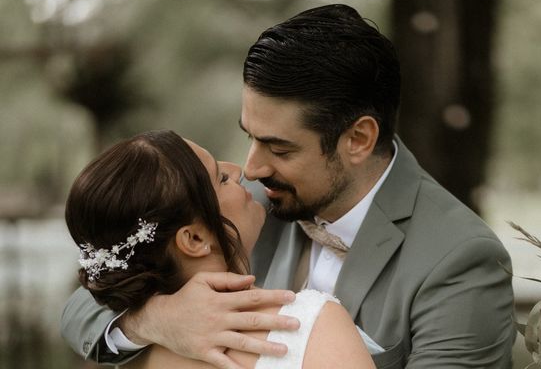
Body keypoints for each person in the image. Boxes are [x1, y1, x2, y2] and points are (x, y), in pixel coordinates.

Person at [62, 4, 515, 368]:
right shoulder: (242, 207)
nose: (251, 168)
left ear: (358, 139)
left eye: (279, 149)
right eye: (249, 136)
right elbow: (84, 304)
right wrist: (159, 320)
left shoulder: (459, 260)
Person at [64, 129, 375, 368]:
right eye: (222, 178)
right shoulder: (310, 324)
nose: (241, 171)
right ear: (194, 239)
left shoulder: (137, 355)